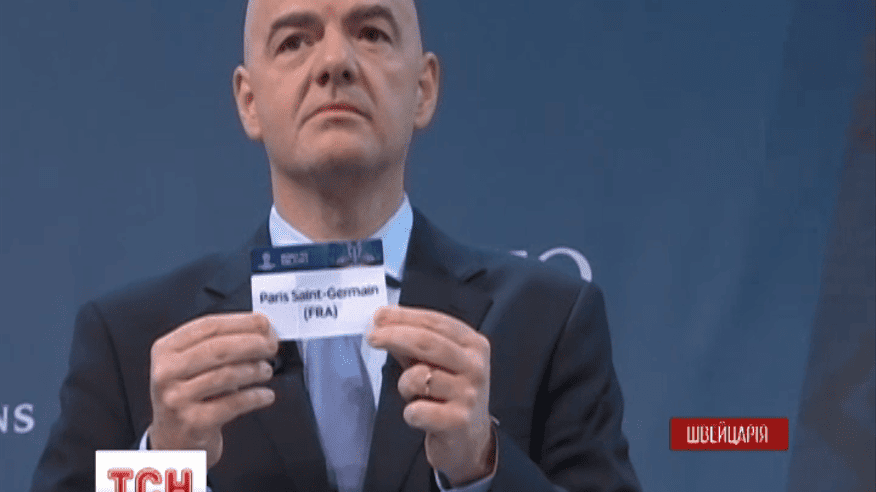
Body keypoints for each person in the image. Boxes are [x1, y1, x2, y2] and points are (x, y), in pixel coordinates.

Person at [31, 0, 641, 490]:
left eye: (371, 32)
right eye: (294, 41)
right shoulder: (132, 340)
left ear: (424, 88)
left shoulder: (550, 321)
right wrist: (162, 463)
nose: (334, 62)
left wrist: (482, 465)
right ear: (249, 102)